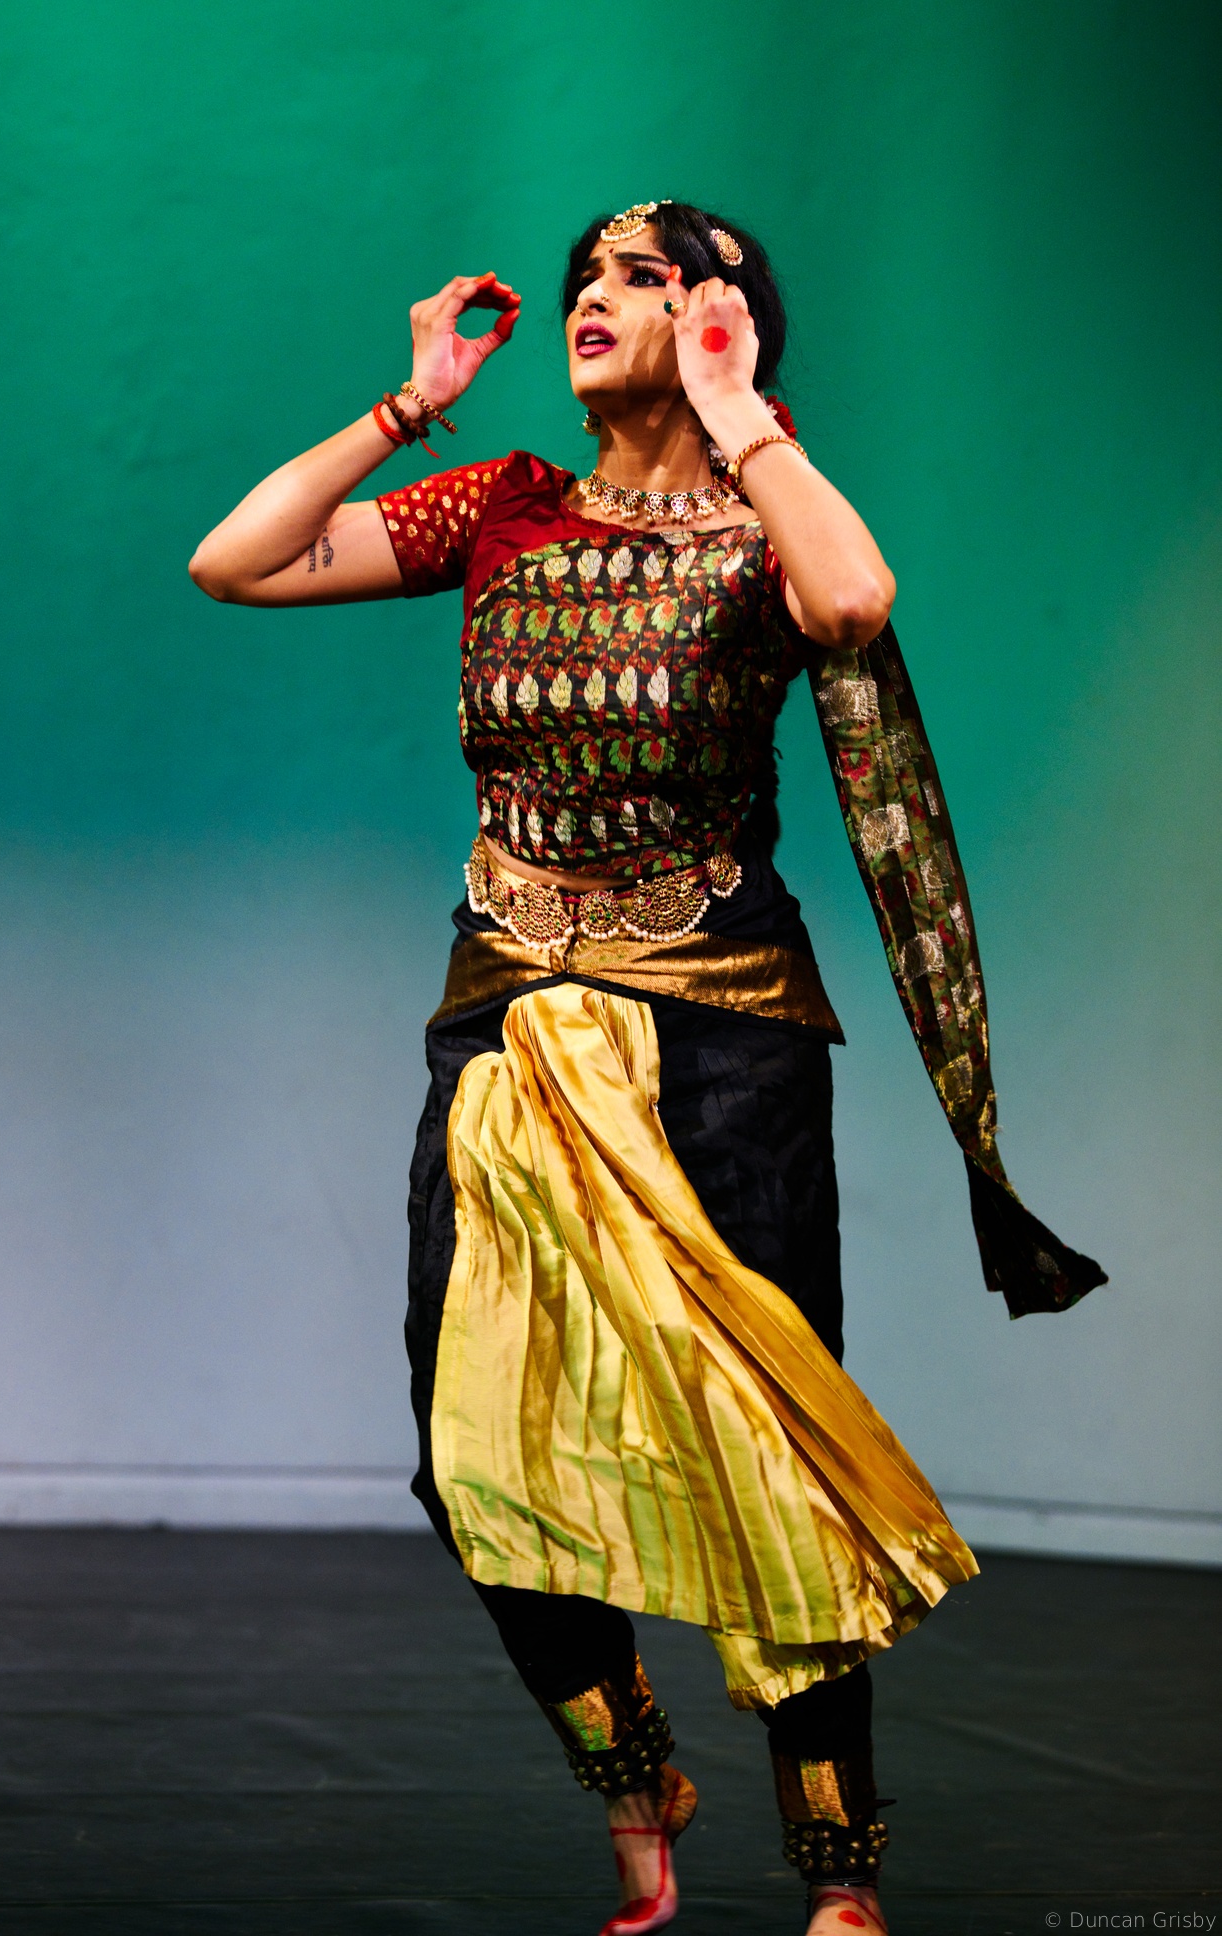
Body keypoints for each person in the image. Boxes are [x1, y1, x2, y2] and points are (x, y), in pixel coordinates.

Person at [190, 200, 1103, 1936]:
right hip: (507, 1025)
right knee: (466, 1450)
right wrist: (408, 406)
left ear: (721, 320)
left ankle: (841, 1881)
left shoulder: (771, 524)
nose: (590, 302)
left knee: (774, 1448)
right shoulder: (508, 504)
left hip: (722, 1034)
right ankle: (632, 1770)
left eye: (644, 280)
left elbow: (854, 601)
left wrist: (746, 419)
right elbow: (234, 561)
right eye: (584, 283)